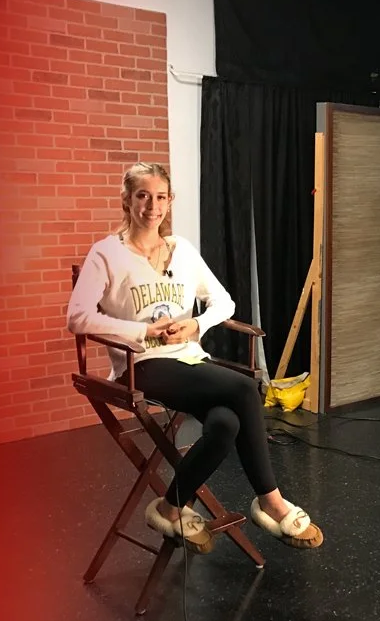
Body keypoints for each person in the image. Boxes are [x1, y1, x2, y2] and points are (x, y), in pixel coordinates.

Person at [66, 162, 324, 554]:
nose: (152, 206)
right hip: (141, 365)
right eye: (143, 196)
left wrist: (196, 325)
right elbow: (78, 317)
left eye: (161, 197)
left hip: (189, 357)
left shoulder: (182, 250)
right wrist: (142, 331)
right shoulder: (106, 254)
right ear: (126, 200)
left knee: (225, 424)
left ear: (170, 201)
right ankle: (271, 502)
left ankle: (170, 507)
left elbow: (224, 302)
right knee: (244, 387)